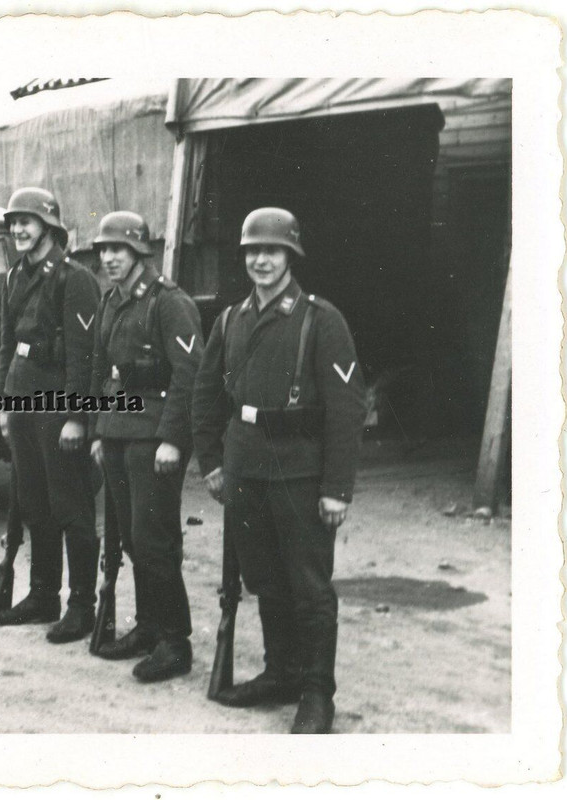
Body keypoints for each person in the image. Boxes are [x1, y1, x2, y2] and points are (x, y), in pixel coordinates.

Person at [191, 207, 367, 733]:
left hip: (298, 473)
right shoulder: (231, 319)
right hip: (245, 471)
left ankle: (316, 694)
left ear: (291, 256)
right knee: (265, 580)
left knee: (309, 587)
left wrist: (337, 488)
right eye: (253, 251)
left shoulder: (320, 319)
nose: (261, 260)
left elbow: (347, 408)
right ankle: (280, 673)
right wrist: (212, 462)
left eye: (272, 251)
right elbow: (206, 394)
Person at [87, 211, 204, 682]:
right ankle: (150, 626)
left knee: (154, 539)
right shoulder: (111, 300)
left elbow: (190, 374)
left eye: (118, 249)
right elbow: (102, 371)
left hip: (154, 435)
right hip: (118, 431)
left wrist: (174, 438)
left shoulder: (168, 302)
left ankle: (175, 641)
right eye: (104, 250)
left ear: (139, 252)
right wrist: (99, 429)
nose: (109, 258)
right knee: (134, 539)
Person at [0, 187, 102, 644]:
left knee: (70, 505)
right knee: (34, 503)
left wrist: (77, 417)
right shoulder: (14, 277)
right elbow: (6, 343)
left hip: (57, 404)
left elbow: (84, 354)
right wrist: (4, 402)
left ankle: (82, 606)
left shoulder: (74, 279)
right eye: (14, 222)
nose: (18, 229)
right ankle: (43, 595)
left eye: (27, 221)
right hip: (22, 400)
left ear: (49, 226)